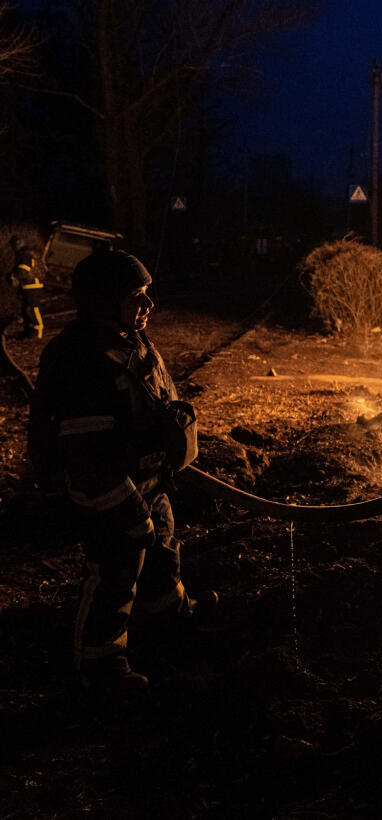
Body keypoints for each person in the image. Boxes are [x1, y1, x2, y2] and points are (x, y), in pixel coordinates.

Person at [27, 249, 215, 696]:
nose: (148, 305)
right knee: (115, 571)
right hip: (108, 493)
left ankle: (168, 616)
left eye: (148, 294)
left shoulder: (128, 339)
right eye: (137, 296)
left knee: (162, 551)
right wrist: (127, 511)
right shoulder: (81, 361)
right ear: (103, 302)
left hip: (148, 481)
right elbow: (87, 456)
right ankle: (100, 665)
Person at [9, 235, 44, 339]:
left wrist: (13, 276)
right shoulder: (26, 254)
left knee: (32, 309)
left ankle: (38, 332)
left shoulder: (24, 256)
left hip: (33, 286)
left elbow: (23, 271)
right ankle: (29, 332)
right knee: (26, 310)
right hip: (29, 286)